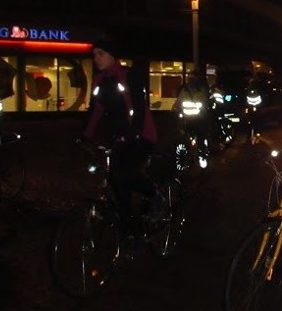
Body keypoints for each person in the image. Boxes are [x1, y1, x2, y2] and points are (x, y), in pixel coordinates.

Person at [81, 39, 158, 244]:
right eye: (94, 54)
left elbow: (139, 107)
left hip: (142, 135)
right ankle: (128, 225)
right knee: (115, 180)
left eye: (101, 54)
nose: (96, 58)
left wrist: (134, 132)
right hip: (118, 137)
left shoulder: (128, 76)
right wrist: (85, 136)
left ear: (112, 56)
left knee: (124, 174)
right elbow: (96, 110)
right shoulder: (99, 80)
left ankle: (155, 196)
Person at [171, 71, 213, 167]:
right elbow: (205, 103)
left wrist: (174, 110)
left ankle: (196, 155)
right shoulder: (201, 90)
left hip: (188, 119)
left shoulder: (185, 90)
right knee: (199, 137)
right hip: (196, 120)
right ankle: (200, 157)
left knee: (192, 137)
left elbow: (178, 102)